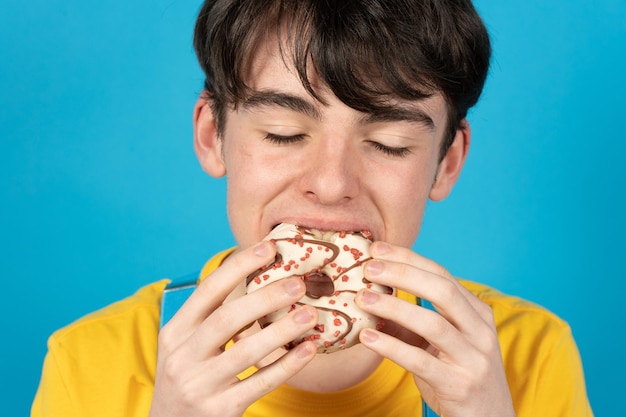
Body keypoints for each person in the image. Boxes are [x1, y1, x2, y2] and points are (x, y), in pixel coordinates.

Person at [31, 1, 593, 416]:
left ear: (447, 163)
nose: (330, 184)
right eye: (282, 133)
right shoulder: (91, 363)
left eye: (390, 143)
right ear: (212, 136)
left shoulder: (527, 356)